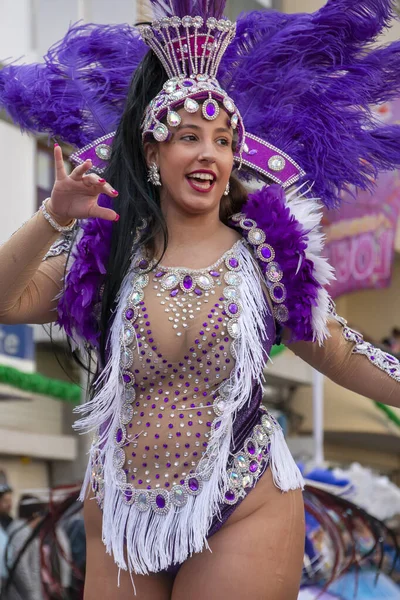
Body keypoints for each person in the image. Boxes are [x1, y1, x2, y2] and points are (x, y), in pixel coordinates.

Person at [0, 1, 400, 598]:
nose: (208, 153)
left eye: (221, 139)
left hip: (242, 503)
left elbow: (339, 353)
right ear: (153, 155)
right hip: (121, 508)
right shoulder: (107, 253)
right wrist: (51, 217)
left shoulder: (265, 255)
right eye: (188, 137)